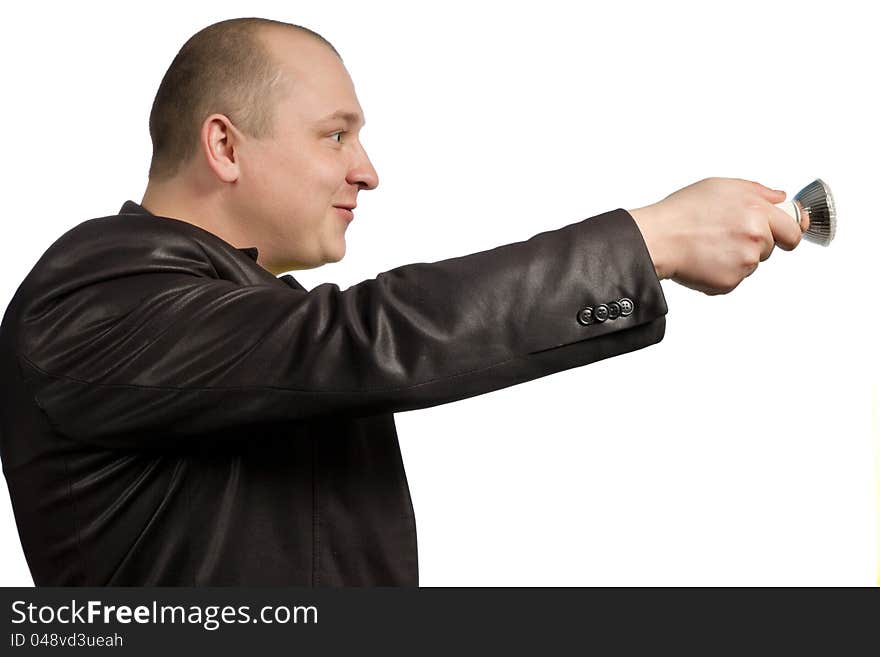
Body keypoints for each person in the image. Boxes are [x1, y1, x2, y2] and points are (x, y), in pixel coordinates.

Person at [0, 17, 808, 586]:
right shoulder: (92, 293)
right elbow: (356, 336)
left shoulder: (240, 318)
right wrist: (647, 240)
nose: (367, 169)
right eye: (335, 134)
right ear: (224, 145)